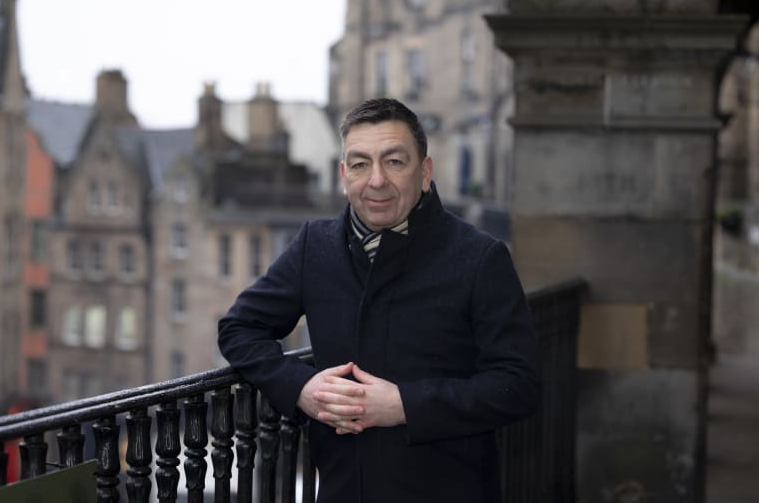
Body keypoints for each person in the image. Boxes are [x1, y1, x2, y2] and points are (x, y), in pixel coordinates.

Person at [218, 98, 540, 503]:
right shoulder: (313, 246)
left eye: (394, 161)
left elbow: (519, 385)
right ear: (343, 175)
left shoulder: (480, 257)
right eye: (359, 164)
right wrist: (302, 388)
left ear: (424, 172)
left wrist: (406, 405)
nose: (376, 181)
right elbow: (238, 328)